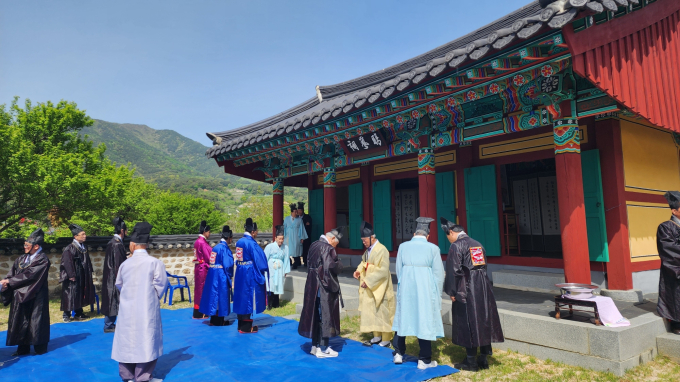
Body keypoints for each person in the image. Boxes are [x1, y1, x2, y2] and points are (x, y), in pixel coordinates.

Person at [441, 217, 504, 371]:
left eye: (447, 236)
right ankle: (483, 358)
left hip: (465, 288)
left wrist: (452, 291)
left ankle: (471, 362)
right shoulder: (477, 244)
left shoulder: (457, 246)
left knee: (468, 322)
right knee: (482, 320)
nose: (448, 239)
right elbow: (481, 267)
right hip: (482, 287)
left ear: (451, 232)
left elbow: (453, 271)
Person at [112, 222, 167, 382]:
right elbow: (161, 285)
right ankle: (143, 376)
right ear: (147, 244)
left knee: (127, 338)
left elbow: (119, 284)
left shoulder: (125, 264)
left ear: (132, 245)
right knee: (147, 338)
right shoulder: (155, 263)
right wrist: (149, 297)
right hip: (146, 307)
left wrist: (131, 296)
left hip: (128, 308)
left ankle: (127, 375)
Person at [392, 217, 445, 370]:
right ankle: (424, 359)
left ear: (414, 233)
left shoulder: (403, 246)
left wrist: (403, 285)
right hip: (425, 288)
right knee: (424, 318)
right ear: (427, 236)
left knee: (403, 316)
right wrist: (438, 294)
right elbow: (438, 274)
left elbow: (398, 270)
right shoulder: (433, 248)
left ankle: (398, 353)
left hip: (407, 286)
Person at [0, 229, 51, 356]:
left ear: (36, 246)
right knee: (20, 319)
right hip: (20, 293)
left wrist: (10, 281)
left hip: (36, 294)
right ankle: (22, 348)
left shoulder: (42, 260)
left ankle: (39, 347)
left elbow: (30, 275)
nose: (25, 247)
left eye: (27, 245)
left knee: (36, 320)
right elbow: (13, 272)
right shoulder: (22, 258)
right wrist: (7, 282)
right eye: (24, 245)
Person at [298, 228, 344, 359]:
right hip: (322, 288)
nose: (336, 246)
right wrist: (339, 264)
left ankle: (315, 346)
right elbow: (331, 267)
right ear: (332, 239)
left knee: (315, 315)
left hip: (312, 285)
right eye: (336, 243)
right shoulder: (328, 248)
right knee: (323, 316)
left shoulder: (314, 245)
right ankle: (320, 347)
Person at [353, 221, 395, 348]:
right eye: (362, 240)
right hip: (371, 286)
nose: (364, 243)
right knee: (373, 312)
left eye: (365, 240)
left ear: (372, 237)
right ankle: (376, 336)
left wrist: (369, 280)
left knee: (383, 312)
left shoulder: (382, 250)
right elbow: (363, 263)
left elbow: (382, 270)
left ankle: (386, 339)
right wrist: (358, 271)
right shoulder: (368, 251)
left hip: (381, 286)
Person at [233, 218, 269, 333]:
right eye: (256, 231)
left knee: (240, 296)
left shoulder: (239, 242)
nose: (257, 233)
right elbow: (260, 260)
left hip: (240, 271)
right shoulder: (251, 243)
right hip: (248, 273)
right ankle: (246, 327)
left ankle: (240, 324)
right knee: (248, 297)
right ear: (253, 231)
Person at [199, 225, 235, 326]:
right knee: (221, 296)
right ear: (228, 238)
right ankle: (220, 320)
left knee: (213, 296)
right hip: (221, 274)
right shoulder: (225, 249)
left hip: (212, 273)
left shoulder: (215, 248)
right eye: (231, 238)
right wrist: (230, 275)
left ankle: (213, 320)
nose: (231, 240)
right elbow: (228, 265)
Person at [60, 223, 96, 322]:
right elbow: (67, 262)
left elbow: (87, 260)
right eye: (82, 234)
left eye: (85, 234)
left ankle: (79, 313)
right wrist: (71, 275)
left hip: (82, 274)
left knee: (80, 293)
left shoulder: (83, 247)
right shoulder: (70, 248)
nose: (85, 236)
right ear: (76, 236)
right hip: (74, 275)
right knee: (71, 294)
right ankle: (66, 314)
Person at [657, 191, 680, 335]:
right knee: (677, 296)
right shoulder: (665, 227)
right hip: (675, 267)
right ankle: (677, 323)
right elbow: (668, 249)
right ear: (674, 210)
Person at [101, 217, 128, 333]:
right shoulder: (116, 245)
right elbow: (118, 264)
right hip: (114, 277)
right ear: (122, 231)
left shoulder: (115, 243)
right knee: (113, 301)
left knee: (113, 301)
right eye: (126, 230)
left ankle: (110, 324)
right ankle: (109, 325)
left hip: (112, 276)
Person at [264, 225, 290, 309]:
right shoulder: (269, 247)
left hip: (280, 268)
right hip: (271, 267)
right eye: (279, 239)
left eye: (282, 239)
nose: (281, 241)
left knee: (278, 284)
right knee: (270, 284)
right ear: (275, 238)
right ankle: (269, 304)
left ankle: (276, 303)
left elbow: (286, 259)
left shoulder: (285, 247)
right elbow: (265, 258)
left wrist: (285, 271)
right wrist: (265, 269)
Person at [192, 220, 212, 319]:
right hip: (203, 268)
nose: (210, 233)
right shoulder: (202, 243)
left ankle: (197, 312)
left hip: (198, 267)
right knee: (202, 289)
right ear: (205, 232)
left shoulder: (197, 241)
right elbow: (209, 257)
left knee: (198, 289)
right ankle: (200, 312)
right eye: (209, 232)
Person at [285, 203, 308, 270]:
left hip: (296, 237)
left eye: (296, 212)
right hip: (288, 237)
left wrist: (302, 237)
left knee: (296, 250)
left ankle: (296, 263)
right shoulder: (286, 219)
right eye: (295, 212)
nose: (296, 213)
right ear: (291, 212)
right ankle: (288, 262)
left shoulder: (299, 220)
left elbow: (302, 229)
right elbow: (284, 228)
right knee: (287, 250)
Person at [298, 202, 313, 267]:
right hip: (297, 236)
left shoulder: (307, 217)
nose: (299, 212)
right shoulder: (296, 218)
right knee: (297, 249)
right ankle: (297, 261)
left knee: (306, 249)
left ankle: (305, 261)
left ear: (303, 210)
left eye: (301, 210)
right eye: (298, 210)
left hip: (306, 236)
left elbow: (308, 226)